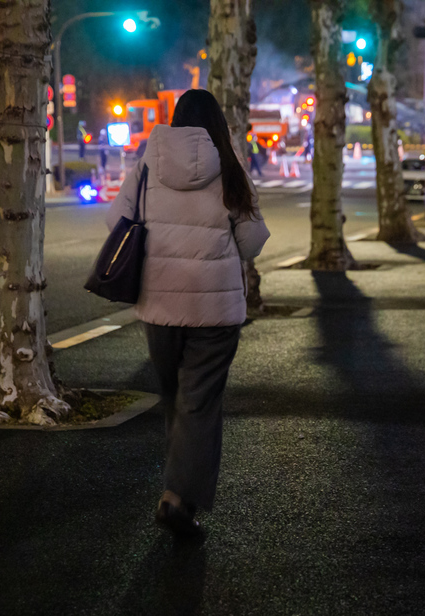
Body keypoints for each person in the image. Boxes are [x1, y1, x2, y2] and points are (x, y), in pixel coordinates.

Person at [106, 89, 270, 537]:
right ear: (217, 122)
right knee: (199, 403)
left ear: (176, 120)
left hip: (159, 307)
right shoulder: (228, 163)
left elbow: (115, 221)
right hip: (215, 311)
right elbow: (253, 240)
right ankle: (177, 499)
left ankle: (177, 494)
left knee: (175, 400)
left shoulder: (149, 158)